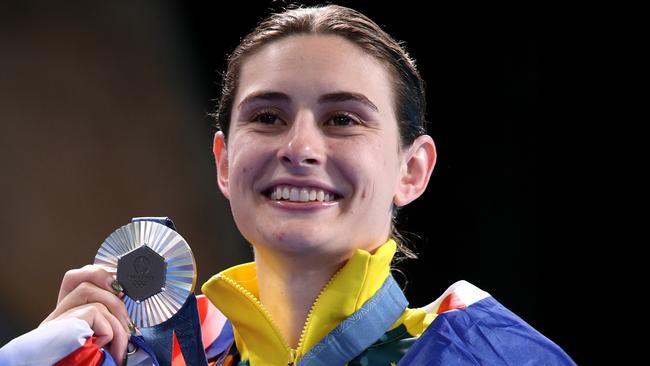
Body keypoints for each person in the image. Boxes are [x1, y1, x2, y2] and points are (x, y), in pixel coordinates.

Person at [0, 4, 575, 365]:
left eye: (343, 119)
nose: (299, 147)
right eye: (268, 118)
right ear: (224, 163)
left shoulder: (493, 355)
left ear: (413, 170)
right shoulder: (136, 358)